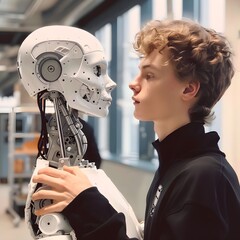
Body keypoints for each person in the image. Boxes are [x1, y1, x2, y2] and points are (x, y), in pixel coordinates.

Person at [31, 19, 240, 240]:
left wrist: (87, 202)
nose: (133, 83)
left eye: (149, 75)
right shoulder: (176, 165)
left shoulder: (204, 177)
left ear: (188, 89)